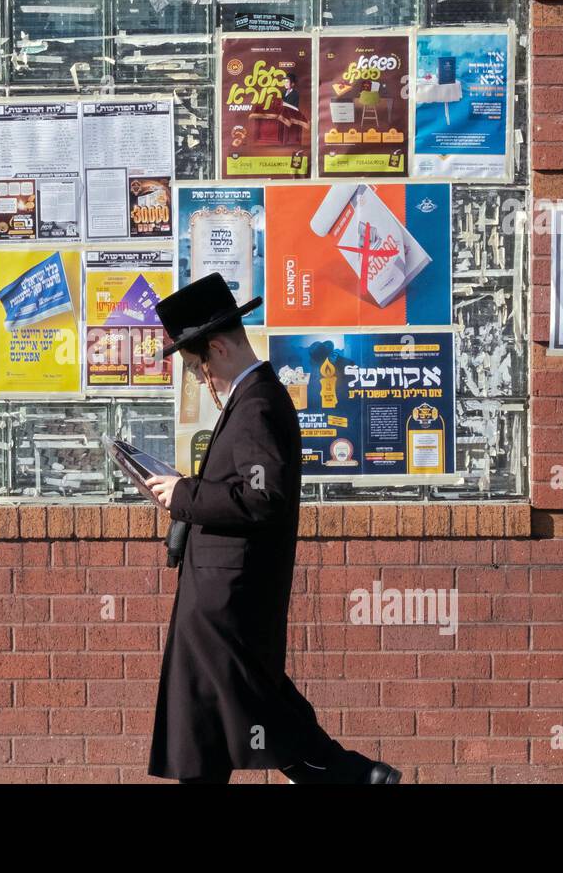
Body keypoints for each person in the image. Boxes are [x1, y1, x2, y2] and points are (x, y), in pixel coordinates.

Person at [144, 272, 402, 785]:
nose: (200, 381)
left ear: (215, 349)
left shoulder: (258, 402)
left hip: (229, 598)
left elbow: (265, 498)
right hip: (219, 594)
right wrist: (187, 489)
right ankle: (351, 775)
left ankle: (353, 776)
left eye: (197, 369)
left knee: (245, 711)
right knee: (212, 720)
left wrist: (184, 494)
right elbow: (244, 488)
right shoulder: (252, 398)